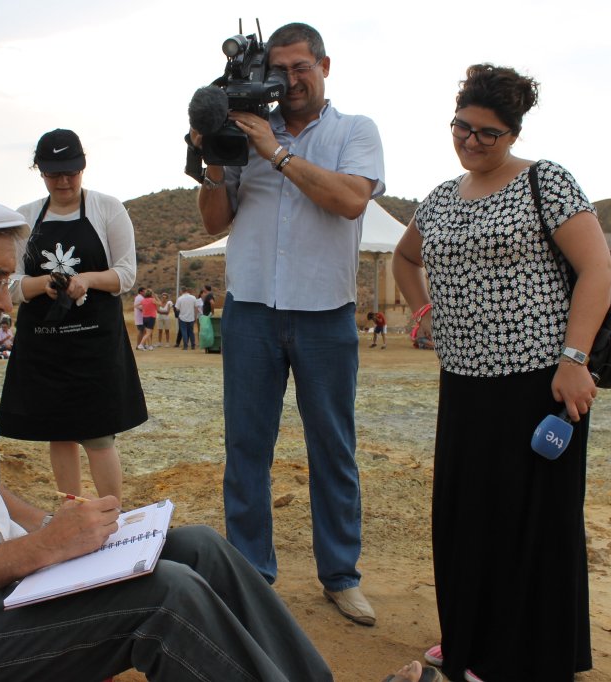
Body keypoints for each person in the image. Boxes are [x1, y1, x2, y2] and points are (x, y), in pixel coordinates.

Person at [0, 188, 434, 682]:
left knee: (198, 549)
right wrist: (42, 552)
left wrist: (66, 532)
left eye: (7, 281)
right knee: (164, 600)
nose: (6, 302)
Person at [391, 64, 611, 682]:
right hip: (463, 384)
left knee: (531, 520)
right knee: (468, 517)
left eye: (487, 133)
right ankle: (471, 637)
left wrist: (573, 360)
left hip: (539, 381)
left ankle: (523, 656)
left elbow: (597, 269)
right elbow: (408, 258)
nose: (471, 141)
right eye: (462, 126)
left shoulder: (547, 182)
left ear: (513, 133)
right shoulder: (439, 197)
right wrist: (422, 309)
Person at [192, 22, 385, 625]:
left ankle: (340, 576)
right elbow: (212, 224)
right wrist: (215, 159)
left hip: (325, 312)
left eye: (301, 67)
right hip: (249, 308)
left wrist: (274, 152)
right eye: (279, 70)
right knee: (246, 449)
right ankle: (251, 576)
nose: (289, 81)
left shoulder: (356, 132)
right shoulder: (243, 133)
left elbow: (351, 199)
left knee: (333, 448)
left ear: (325, 65)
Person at [0, 129, 146, 503]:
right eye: (53, 174)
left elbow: (125, 274)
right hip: (45, 345)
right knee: (59, 432)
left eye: (71, 172)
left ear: (83, 167)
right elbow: (11, 282)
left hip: (94, 342)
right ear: (40, 172)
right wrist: (41, 283)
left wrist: (86, 280)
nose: (63, 181)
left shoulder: (107, 208)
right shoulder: (25, 217)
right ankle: (73, 518)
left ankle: (113, 517)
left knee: (98, 434)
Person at [175, 285, 197, 349]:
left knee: (184, 331)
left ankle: (185, 346)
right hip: (191, 317)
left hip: (182, 317)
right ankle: (193, 345)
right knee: (191, 331)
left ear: (181, 291)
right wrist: (195, 316)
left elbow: (177, 309)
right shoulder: (193, 297)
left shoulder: (180, 298)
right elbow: (196, 308)